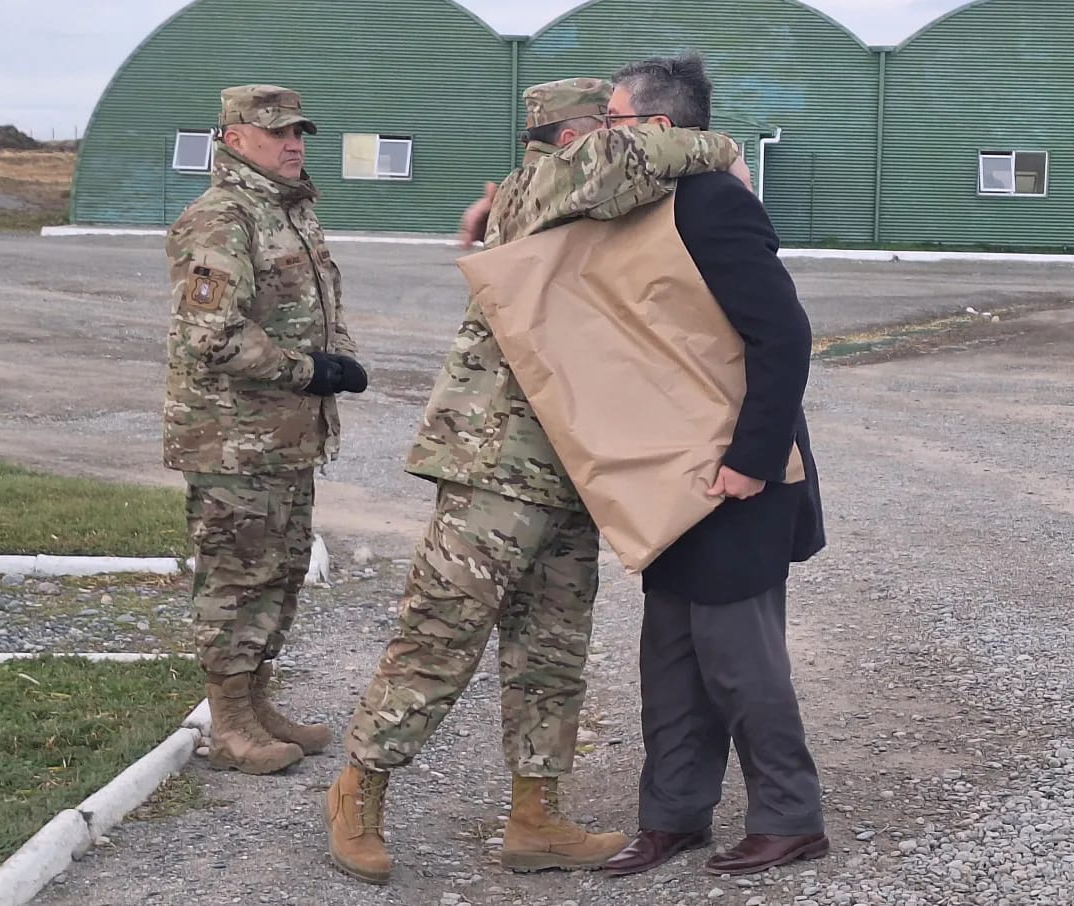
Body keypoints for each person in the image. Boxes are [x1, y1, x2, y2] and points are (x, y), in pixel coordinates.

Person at [325, 78, 745, 886]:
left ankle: (534, 817)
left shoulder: (579, 191)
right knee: (441, 638)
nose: (625, 135)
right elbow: (643, 150)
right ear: (569, 136)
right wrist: (723, 152)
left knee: (552, 652)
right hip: (495, 467)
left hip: (570, 464)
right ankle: (358, 792)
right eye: (609, 124)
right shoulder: (545, 181)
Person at [590, 55, 832, 879]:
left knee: (739, 659)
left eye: (613, 121)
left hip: (740, 477)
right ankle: (674, 816)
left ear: (657, 129)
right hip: (674, 471)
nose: (601, 134)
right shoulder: (642, 206)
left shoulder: (715, 203)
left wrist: (753, 461)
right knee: (672, 656)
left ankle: (791, 817)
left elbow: (783, 336)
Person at [164, 84, 367, 777]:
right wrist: (310, 370)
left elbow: (308, 307)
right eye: (275, 132)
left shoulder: (289, 212)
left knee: (278, 572)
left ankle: (255, 705)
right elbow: (210, 336)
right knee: (235, 576)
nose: (293, 144)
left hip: (283, 438)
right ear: (233, 138)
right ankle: (229, 725)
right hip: (232, 439)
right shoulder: (220, 219)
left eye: (298, 132)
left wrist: (334, 359)